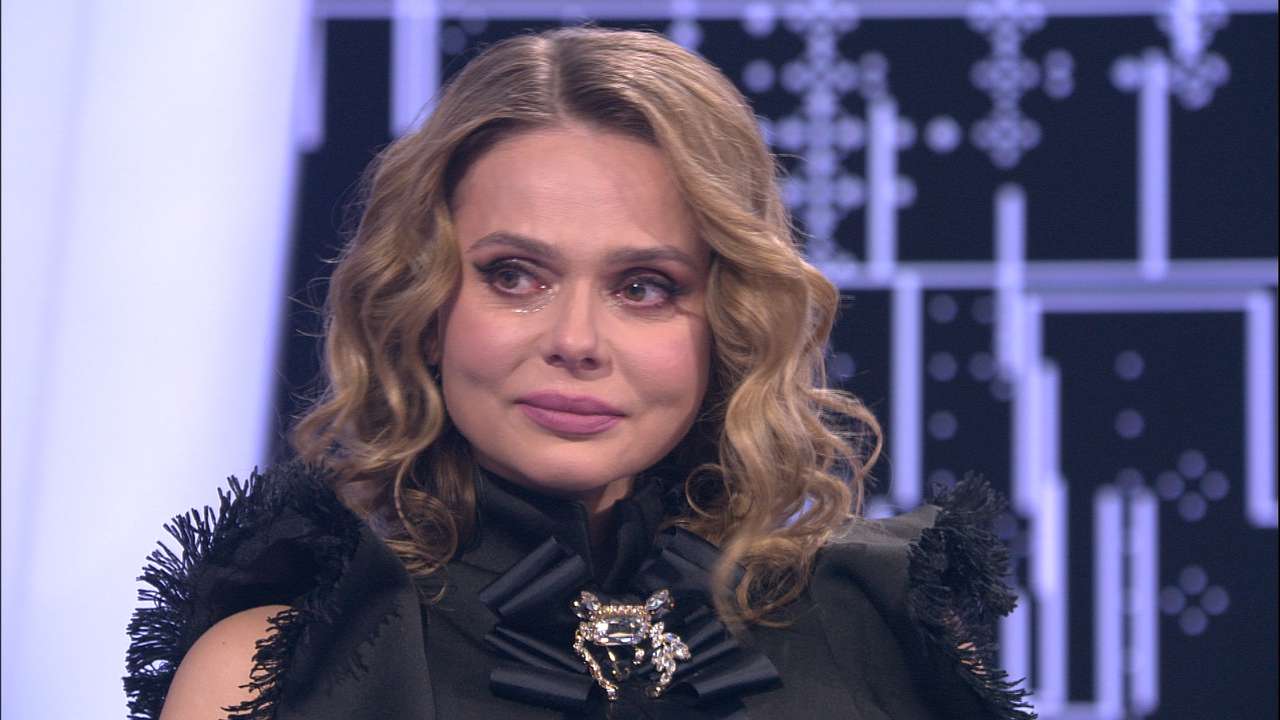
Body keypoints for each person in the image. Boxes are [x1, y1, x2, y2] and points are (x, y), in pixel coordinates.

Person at [124, 26, 1034, 720]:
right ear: (427, 307)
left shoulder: (883, 638)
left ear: (730, 324)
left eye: (644, 287)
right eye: (515, 276)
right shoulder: (276, 669)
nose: (576, 340)